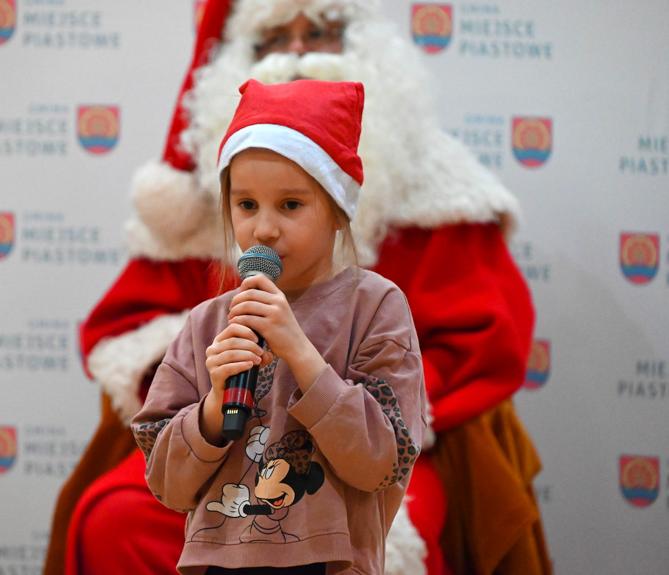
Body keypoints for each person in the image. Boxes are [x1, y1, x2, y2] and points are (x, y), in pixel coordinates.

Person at [45, 1, 551, 574]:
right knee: (115, 517)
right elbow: (135, 349)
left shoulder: (410, 251)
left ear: (339, 212)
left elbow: (474, 349)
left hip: (364, 449)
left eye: (320, 32)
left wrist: (314, 368)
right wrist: (211, 398)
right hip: (227, 459)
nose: (298, 52)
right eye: (273, 38)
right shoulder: (205, 289)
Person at [133, 77, 427, 575]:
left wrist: (302, 353)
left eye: (290, 205)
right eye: (246, 205)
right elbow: (167, 483)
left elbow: (382, 461)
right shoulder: (208, 323)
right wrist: (211, 408)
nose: (263, 228)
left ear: (338, 212)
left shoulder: (375, 306)